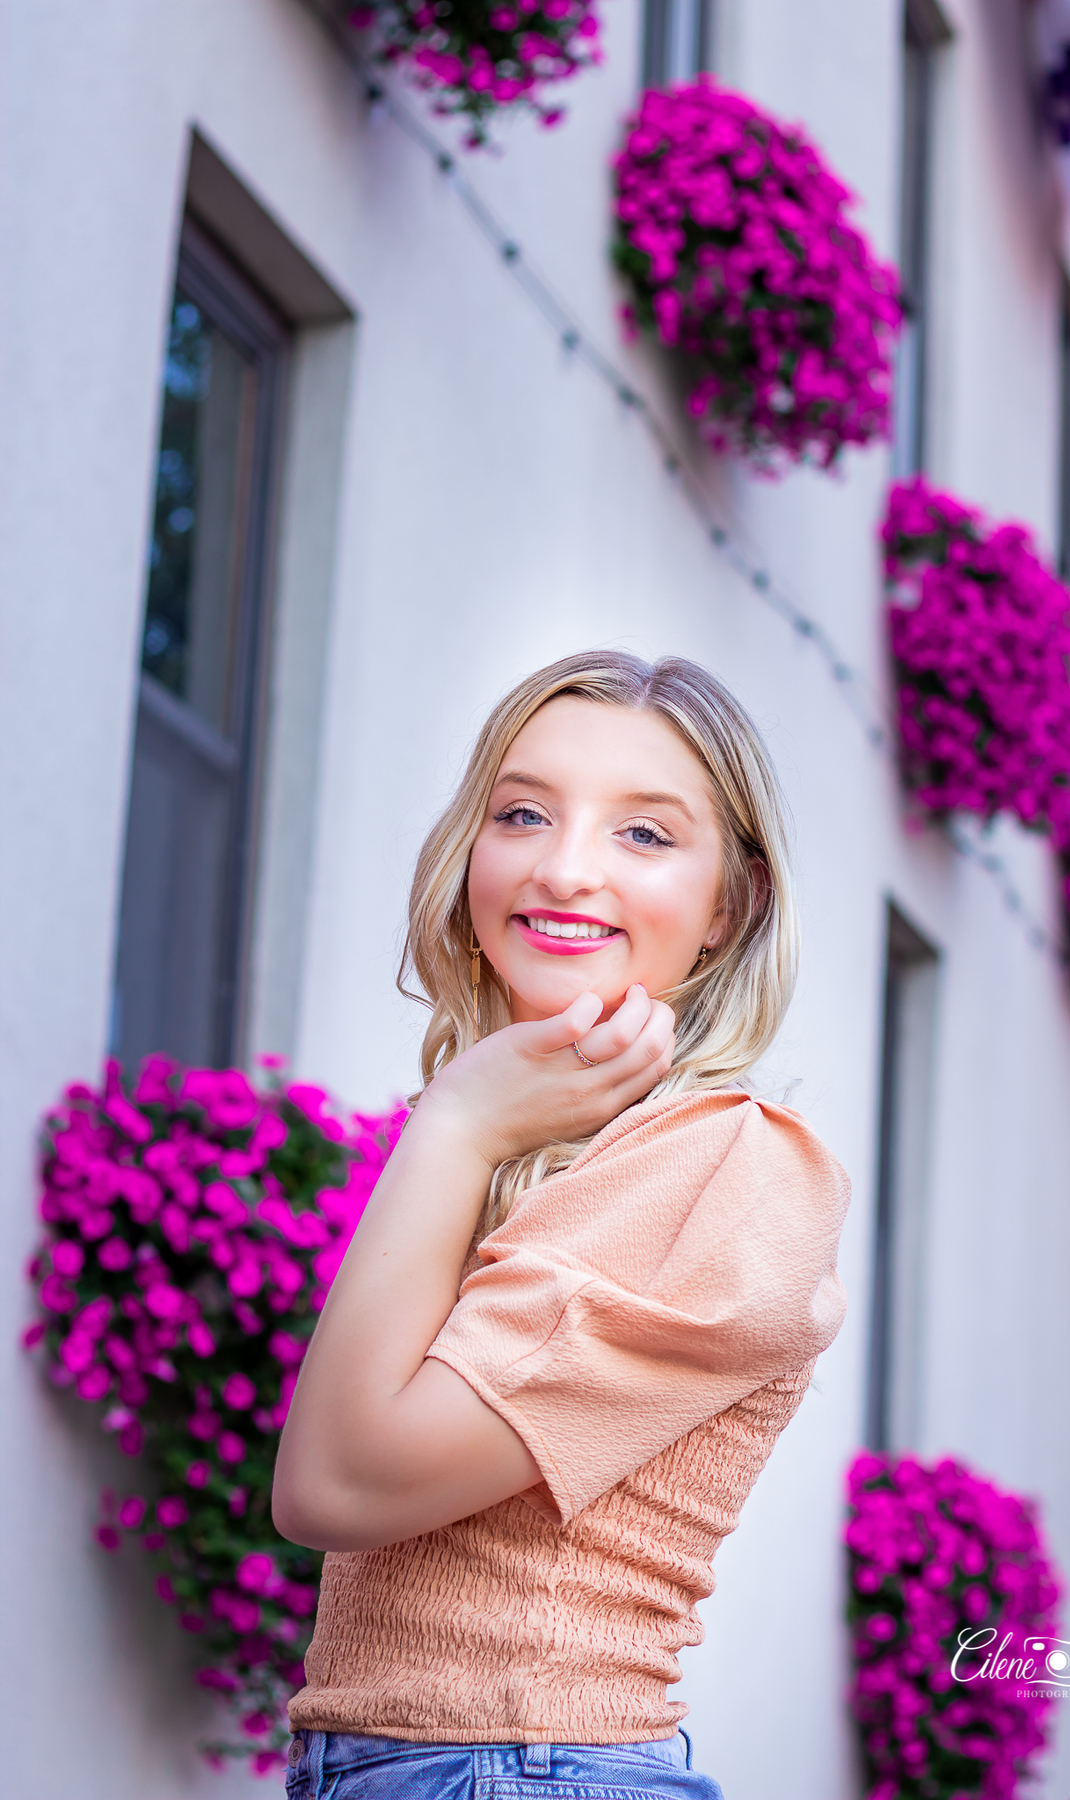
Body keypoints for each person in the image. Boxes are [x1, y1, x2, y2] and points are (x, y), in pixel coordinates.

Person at [272, 650, 851, 1800]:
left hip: (519, 1770)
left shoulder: (724, 1166)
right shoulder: (534, 1146)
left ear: (727, 904)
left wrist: (452, 1129)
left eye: (644, 834)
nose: (563, 867)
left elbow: (333, 1485)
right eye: (523, 812)